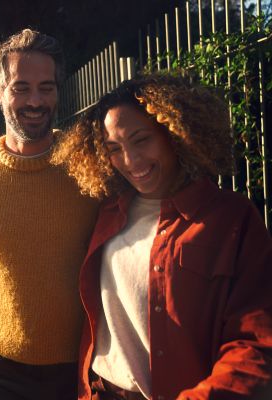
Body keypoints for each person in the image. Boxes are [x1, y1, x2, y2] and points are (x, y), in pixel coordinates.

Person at [53, 73, 272, 399]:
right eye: (114, 148)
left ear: (173, 131)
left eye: (141, 139)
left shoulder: (231, 218)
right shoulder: (108, 212)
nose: (131, 160)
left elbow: (257, 341)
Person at [0, 28, 99, 400]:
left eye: (46, 87)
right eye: (21, 87)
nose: (36, 100)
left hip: (83, 368)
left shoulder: (88, 166)